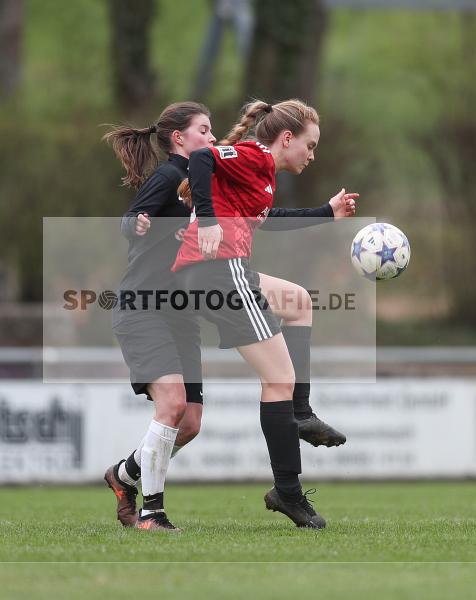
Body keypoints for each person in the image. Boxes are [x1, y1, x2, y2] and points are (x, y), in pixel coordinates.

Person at [172, 99, 358, 528]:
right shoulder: (255, 155)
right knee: (279, 380)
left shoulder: (262, 177)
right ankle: (288, 492)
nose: (312, 156)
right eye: (309, 146)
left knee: (298, 301)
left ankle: (301, 412)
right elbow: (200, 158)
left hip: (219, 272)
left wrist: (326, 214)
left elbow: (269, 218)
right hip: (218, 272)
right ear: (286, 138)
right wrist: (206, 220)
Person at [101, 101, 216, 531]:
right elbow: (130, 220)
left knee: (190, 422)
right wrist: (139, 224)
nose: (211, 137)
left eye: (212, 130)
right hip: (143, 308)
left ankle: (122, 475)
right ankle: (153, 513)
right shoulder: (170, 176)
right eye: (203, 130)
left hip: (180, 315)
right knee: (170, 404)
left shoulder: (202, 184)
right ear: (178, 139)